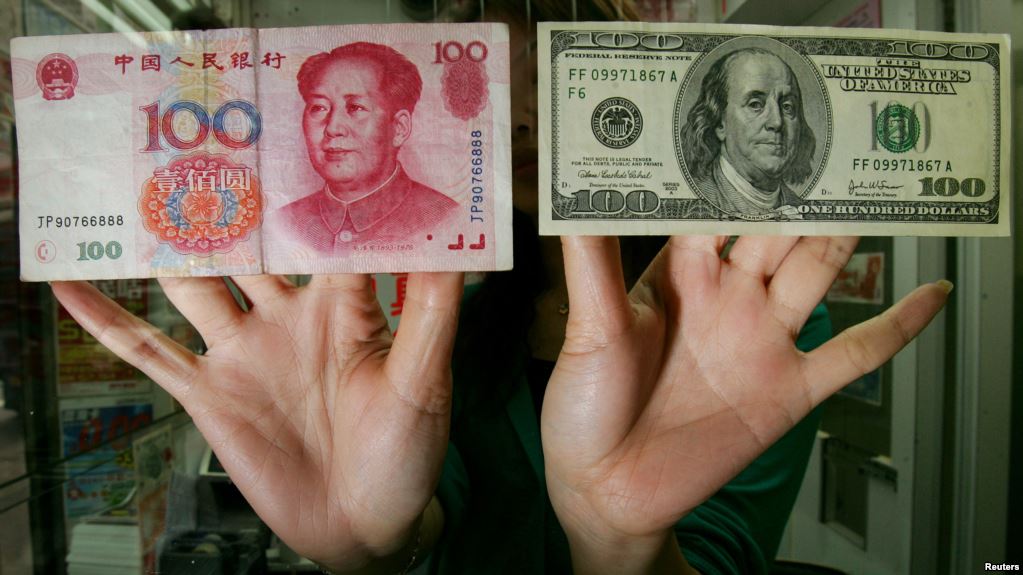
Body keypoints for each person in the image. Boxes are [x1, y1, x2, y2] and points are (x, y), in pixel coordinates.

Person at [49, 2, 951, 573]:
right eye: (483, 80)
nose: (518, 117)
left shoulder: (757, 326)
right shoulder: (459, 322)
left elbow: (723, 553)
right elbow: (423, 517)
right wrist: (367, 542)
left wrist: (620, 541)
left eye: (550, 78)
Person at [274, 42, 458, 254]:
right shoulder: (282, 223)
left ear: (399, 128)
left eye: (355, 108)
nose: (333, 128)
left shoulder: (446, 220)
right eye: (319, 107)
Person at [681, 48, 817, 219]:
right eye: (755, 104)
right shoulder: (696, 205)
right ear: (720, 122)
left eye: (787, 107)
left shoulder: (807, 215)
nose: (776, 122)